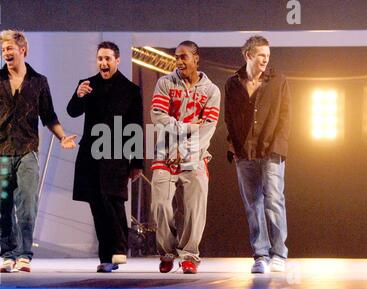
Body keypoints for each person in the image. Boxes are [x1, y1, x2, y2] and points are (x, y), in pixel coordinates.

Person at [0, 30, 76, 273]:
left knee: (27, 204)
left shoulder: (39, 81)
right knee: (2, 206)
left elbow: (48, 116)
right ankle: (8, 254)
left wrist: (62, 137)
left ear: (23, 49)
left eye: (10, 48)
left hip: (27, 150)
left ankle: (24, 255)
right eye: (3, 50)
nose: (6, 53)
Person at [67, 41, 144, 273]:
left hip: (116, 153)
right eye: (100, 58)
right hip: (91, 155)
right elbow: (72, 111)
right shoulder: (87, 85)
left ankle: (119, 248)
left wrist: (137, 161)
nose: (103, 63)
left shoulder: (130, 90)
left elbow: (136, 126)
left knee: (114, 200)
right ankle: (106, 257)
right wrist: (78, 95)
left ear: (117, 61)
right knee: (98, 206)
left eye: (108, 58)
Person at [150, 41, 221, 274]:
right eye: (176, 57)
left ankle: (189, 255)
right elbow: (158, 116)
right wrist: (186, 126)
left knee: (195, 204)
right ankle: (167, 252)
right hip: (165, 152)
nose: (179, 62)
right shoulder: (164, 83)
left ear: (196, 58)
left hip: (196, 153)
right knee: (160, 204)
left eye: (184, 57)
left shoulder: (212, 91)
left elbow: (208, 128)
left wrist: (185, 150)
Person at [224, 35, 291, 273]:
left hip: (271, 150)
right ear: (248, 55)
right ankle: (260, 255)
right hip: (245, 152)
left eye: (268, 56)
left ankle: (279, 254)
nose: (266, 60)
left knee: (273, 200)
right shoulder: (232, 83)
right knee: (253, 204)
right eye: (261, 55)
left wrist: (278, 148)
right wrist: (235, 149)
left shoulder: (278, 80)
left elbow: (285, 117)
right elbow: (229, 118)